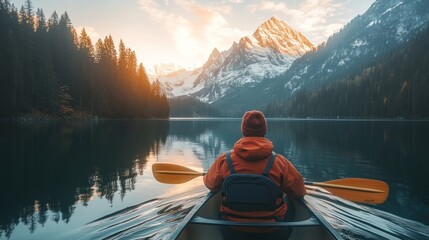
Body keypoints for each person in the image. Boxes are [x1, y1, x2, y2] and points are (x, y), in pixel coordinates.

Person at [203, 110, 306, 239]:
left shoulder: (225, 160)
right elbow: (299, 192)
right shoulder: (280, 162)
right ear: (264, 131)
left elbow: (210, 184)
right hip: (272, 231)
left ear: (243, 130)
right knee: (291, 201)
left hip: (232, 228)